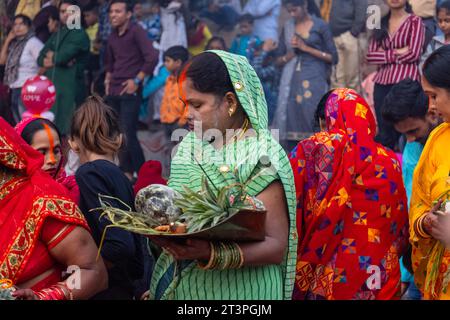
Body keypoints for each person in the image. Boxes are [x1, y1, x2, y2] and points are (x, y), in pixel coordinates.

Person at [147, 51, 297, 300]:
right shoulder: (188, 146)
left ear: (230, 102)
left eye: (197, 105)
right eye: (186, 104)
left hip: (246, 293)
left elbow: (275, 246)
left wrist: (209, 252)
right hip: (186, 288)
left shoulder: (263, 154)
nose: (187, 114)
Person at [290, 88, 409, 300]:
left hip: (331, 278)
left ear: (327, 121)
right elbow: (399, 228)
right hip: (379, 276)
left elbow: (290, 204)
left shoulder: (317, 150)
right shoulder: (390, 161)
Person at [0, 116, 108, 300]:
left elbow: (94, 272)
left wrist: (42, 297)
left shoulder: (42, 197)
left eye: (56, 150)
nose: (51, 160)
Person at [68, 96, 145, 300]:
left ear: (73, 143)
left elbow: (120, 243)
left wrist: (87, 270)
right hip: (126, 286)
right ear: (119, 139)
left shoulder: (88, 174)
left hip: (106, 290)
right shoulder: (121, 178)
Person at [382, 79, 442, 300]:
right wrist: (405, 272)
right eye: (404, 134)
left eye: (414, 130)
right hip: (419, 255)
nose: (410, 139)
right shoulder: (413, 147)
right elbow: (410, 205)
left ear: (431, 112)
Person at [410, 45, 450, 300]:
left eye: (434, 96)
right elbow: (419, 202)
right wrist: (426, 223)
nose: (431, 106)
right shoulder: (438, 139)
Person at [272, 0, 338, 151]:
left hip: (315, 77)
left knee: (313, 112)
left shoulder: (320, 26)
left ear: (305, 6)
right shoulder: (288, 27)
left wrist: (305, 48)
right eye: (289, 11)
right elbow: (277, 60)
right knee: (291, 117)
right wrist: (287, 57)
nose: (292, 14)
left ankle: (319, 155)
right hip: (291, 81)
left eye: (295, 9)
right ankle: (295, 162)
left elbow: (334, 57)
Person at [104, 0, 159, 180]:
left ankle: (146, 174)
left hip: (130, 89)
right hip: (113, 90)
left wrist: (137, 80)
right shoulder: (112, 36)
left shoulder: (136, 31)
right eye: (111, 11)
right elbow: (110, 62)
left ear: (128, 14)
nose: (113, 15)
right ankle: (126, 173)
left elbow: (152, 57)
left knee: (128, 132)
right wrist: (107, 79)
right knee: (117, 134)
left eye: (118, 11)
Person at [366, 0, 425, 150]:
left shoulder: (415, 21)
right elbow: (370, 56)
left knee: (408, 131)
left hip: (406, 82)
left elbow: (414, 54)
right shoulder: (378, 21)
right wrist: (398, 52)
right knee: (385, 133)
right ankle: (387, 169)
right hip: (382, 82)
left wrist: (384, 54)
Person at [37, 0, 91, 135]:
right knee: (53, 131)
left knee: (69, 133)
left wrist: (55, 57)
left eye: (70, 12)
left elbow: (62, 57)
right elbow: (40, 57)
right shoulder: (59, 32)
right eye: (62, 12)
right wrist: (55, 59)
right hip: (54, 90)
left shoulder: (79, 33)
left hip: (69, 91)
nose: (66, 15)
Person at [15, 117, 80, 203]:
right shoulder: (11, 197)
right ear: (22, 154)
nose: (52, 160)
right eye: (42, 153)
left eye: (56, 151)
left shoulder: (74, 190)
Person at [0, 14, 43, 123]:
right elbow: (2, 61)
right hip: (14, 86)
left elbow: (44, 63)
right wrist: (8, 40)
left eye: (22, 24)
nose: (18, 27)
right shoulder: (15, 44)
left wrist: (35, 82)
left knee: (27, 120)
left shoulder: (33, 42)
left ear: (29, 27)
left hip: (28, 88)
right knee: (19, 121)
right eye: (15, 24)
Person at [320, 0, 368, 91]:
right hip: (332, 37)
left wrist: (352, 34)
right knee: (337, 79)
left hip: (350, 37)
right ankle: (338, 105)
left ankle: (351, 105)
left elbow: (361, 12)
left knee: (352, 80)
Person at [160, 45, 189, 139]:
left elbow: (189, 104)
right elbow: (165, 100)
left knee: (181, 151)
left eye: (168, 61)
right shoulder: (169, 80)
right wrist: (163, 117)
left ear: (178, 62)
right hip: (167, 122)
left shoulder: (186, 82)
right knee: (170, 151)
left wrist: (182, 122)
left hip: (180, 124)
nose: (165, 63)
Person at [421, 1, 450, 67]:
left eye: (447, 21)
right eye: (440, 21)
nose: (442, 25)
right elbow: (424, 62)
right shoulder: (434, 42)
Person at [82, 2, 100, 95]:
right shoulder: (85, 30)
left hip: (96, 60)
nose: (86, 18)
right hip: (87, 62)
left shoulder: (100, 29)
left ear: (96, 15)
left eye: (88, 16)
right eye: (84, 16)